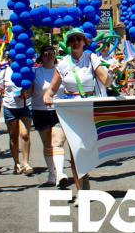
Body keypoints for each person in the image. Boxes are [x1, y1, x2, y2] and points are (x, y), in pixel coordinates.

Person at [43, 28, 113, 193]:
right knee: (74, 150)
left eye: (78, 39)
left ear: (84, 42)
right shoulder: (63, 63)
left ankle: (84, 176)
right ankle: (81, 190)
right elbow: (51, 89)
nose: (75, 42)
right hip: (70, 110)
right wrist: (47, 96)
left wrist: (111, 74)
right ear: (69, 43)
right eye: (72, 39)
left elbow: (106, 81)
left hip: (89, 109)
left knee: (85, 150)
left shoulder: (91, 58)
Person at [31, 45, 68, 186]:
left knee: (57, 142)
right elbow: (29, 92)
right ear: (41, 56)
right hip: (40, 110)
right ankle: (51, 174)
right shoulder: (35, 72)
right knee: (47, 144)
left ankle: (60, 174)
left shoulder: (62, 70)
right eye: (46, 54)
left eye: (52, 53)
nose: (49, 56)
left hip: (59, 110)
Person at [0, 55, 33, 175]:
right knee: (13, 136)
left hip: (25, 106)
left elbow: (32, 86)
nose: (14, 61)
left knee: (25, 134)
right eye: (12, 59)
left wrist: (27, 93)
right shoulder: (5, 72)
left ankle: (26, 163)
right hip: (10, 107)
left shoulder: (26, 70)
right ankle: (16, 163)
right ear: (9, 60)